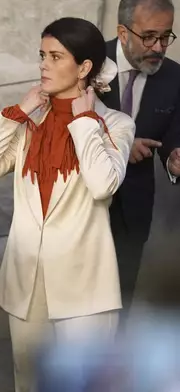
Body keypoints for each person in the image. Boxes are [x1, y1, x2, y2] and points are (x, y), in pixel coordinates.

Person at [0, 17, 136, 392]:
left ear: (84, 68)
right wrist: (16, 115)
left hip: (85, 287)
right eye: (42, 55)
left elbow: (103, 185)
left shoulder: (115, 124)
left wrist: (86, 120)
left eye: (56, 57)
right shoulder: (30, 123)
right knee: (28, 383)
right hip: (26, 282)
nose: (43, 64)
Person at [101, 0, 180, 314]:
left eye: (166, 36)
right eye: (148, 36)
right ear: (122, 33)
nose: (158, 47)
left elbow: (174, 135)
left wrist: (174, 158)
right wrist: (118, 144)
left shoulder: (175, 78)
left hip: (133, 212)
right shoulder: (85, 62)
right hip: (79, 206)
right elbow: (61, 128)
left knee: (119, 304)